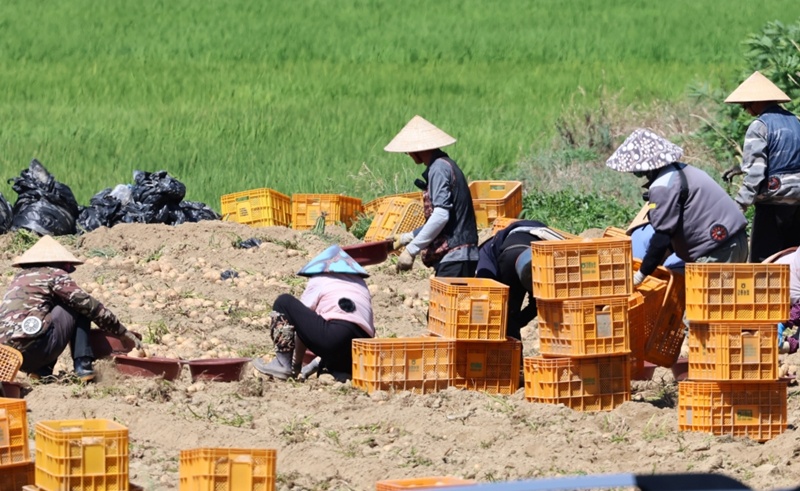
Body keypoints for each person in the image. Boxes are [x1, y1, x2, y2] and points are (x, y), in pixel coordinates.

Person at [606, 128, 748, 285]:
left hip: (718, 251)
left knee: (702, 308)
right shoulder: (684, 170)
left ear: (648, 167)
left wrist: (641, 275)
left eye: (638, 172)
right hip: (736, 241)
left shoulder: (663, 185)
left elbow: (662, 237)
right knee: (722, 304)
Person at [0, 235, 142, 382]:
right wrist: (120, 331)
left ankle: (42, 371)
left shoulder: (19, 279)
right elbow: (86, 303)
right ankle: (83, 366)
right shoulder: (54, 274)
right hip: (34, 349)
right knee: (80, 306)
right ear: (58, 263)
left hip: (8, 357)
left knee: (48, 312)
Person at [252, 245, 375, 381]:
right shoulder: (361, 284)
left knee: (283, 302)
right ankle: (340, 372)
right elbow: (350, 332)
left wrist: (295, 364)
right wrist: (314, 363)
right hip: (361, 347)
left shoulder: (320, 278)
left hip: (334, 335)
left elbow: (301, 326)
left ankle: (282, 364)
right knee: (330, 363)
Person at [385, 115, 479, 277]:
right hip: (462, 255)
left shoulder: (438, 169)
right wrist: (406, 237)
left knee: (448, 302)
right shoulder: (446, 164)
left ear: (417, 149)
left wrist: (411, 250)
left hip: (454, 257)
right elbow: (447, 220)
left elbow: (441, 216)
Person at [723, 71, 800, 263]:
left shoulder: (759, 126)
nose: (745, 110)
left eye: (745, 105)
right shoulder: (796, 121)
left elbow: (756, 174)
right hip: (798, 202)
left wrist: (739, 205)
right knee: (793, 257)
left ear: (756, 102)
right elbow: (786, 156)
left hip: (771, 203)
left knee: (763, 262)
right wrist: (741, 167)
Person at [476, 220, 565, 340]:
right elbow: (536, 302)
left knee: (505, 310)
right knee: (511, 311)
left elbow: (486, 295)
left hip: (513, 256)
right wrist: (518, 321)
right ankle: (513, 344)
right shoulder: (535, 236)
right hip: (527, 255)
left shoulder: (484, 257)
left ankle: (510, 345)